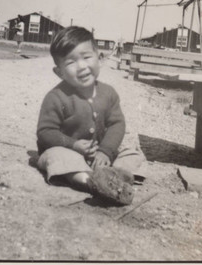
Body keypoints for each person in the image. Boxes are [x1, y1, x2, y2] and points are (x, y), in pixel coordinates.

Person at [36, 26, 147, 205]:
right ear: (59, 72)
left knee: (132, 152)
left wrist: (105, 151)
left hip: (101, 157)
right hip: (69, 152)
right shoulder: (56, 97)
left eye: (87, 57)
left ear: (100, 58)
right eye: (71, 62)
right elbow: (45, 131)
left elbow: (117, 124)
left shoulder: (108, 93)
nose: (82, 66)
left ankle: (116, 177)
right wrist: (73, 145)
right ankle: (91, 183)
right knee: (57, 157)